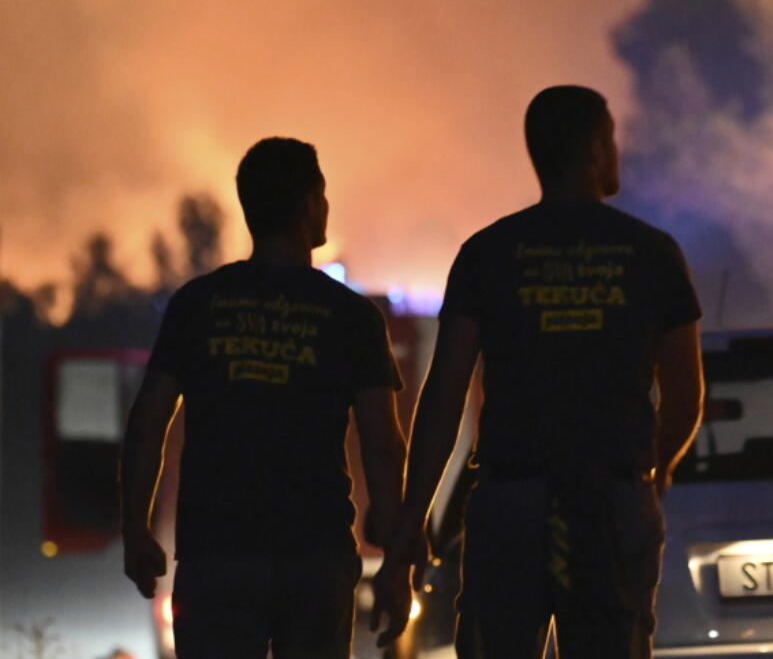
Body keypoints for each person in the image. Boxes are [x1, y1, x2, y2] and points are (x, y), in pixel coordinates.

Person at [370, 85, 705, 658]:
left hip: (510, 505)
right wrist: (655, 471)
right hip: (611, 502)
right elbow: (685, 393)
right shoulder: (652, 253)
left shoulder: (488, 253)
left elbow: (444, 397)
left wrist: (410, 527)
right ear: (598, 149)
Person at [121, 137, 407, 659]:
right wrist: (397, 559)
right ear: (308, 206)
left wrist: (135, 529)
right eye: (322, 196)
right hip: (315, 558)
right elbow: (384, 445)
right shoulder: (352, 317)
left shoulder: (197, 305)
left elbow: (147, 423)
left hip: (216, 558)